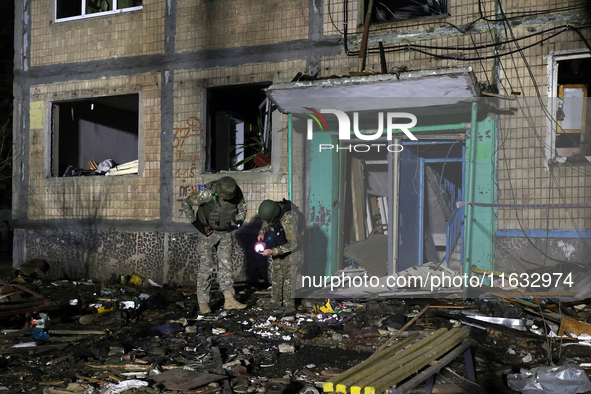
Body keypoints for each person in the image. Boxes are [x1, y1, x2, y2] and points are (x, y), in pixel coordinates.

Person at [181, 176, 247, 314]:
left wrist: (238, 223)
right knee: (207, 267)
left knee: (226, 266)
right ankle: (203, 303)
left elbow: (242, 209)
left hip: (225, 233)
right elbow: (186, 203)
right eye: (222, 197)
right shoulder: (207, 193)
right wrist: (196, 224)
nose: (224, 199)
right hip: (208, 234)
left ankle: (229, 299)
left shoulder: (236, 192)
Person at [257, 199, 299, 311]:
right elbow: (267, 222)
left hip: (294, 249)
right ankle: (275, 302)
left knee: (288, 276)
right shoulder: (273, 211)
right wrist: (262, 232)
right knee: (277, 274)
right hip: (280, 244)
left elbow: (294, 243)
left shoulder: (288, 219)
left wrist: (274, 251)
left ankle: (289, 305)